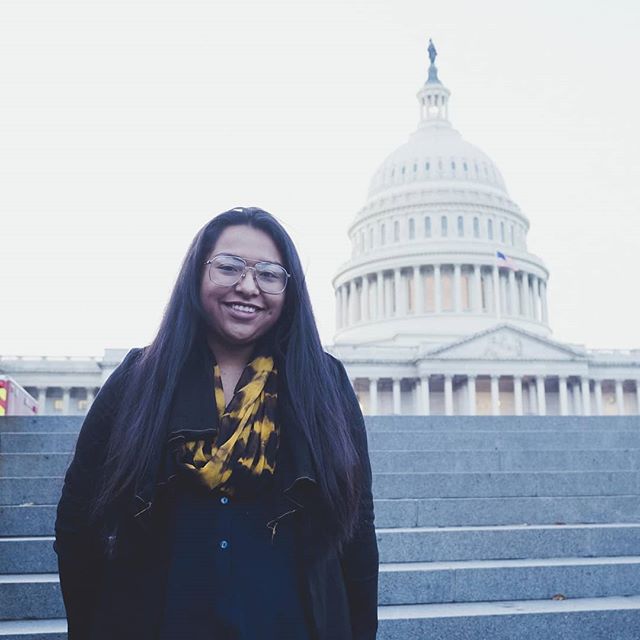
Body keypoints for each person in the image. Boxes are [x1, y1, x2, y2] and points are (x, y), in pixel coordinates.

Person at [54, 206, 379, 640]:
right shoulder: (139, 379)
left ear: (290, 288)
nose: (247, 286)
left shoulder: (322, 383)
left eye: (269, 273)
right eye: (228, 267)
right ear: (196, 275)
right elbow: (78, 520)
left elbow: (356, 532)